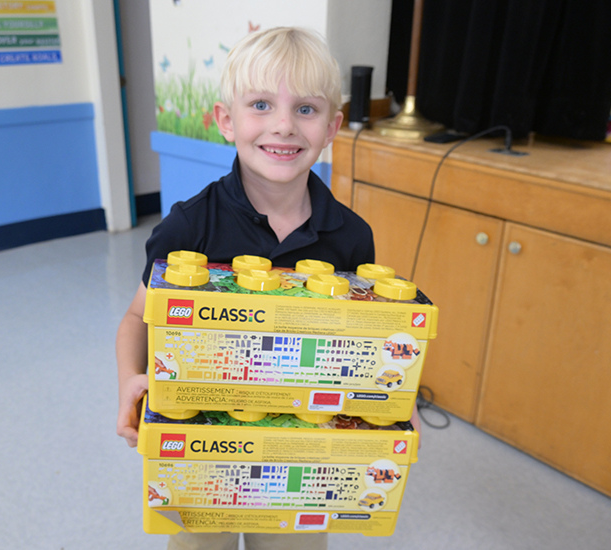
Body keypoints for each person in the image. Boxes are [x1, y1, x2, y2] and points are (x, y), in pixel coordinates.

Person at [116, 26, 418, 550]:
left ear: (332, 128)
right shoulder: (188, 228)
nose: (283, 125)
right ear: (226, 121)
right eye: (261, 104)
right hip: (203, 442)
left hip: (299, 449)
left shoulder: (351, 236)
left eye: (306, 109)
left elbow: (365, 342)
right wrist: (129, 381)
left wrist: (387, 402)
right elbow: (137, 319)